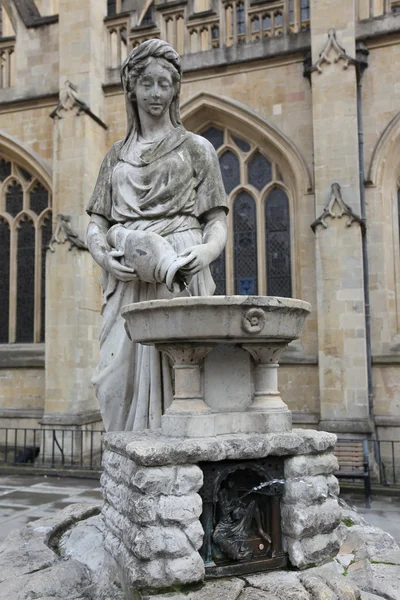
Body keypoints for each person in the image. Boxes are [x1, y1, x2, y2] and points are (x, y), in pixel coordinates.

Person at [86, 39, 228, 431]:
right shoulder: (115, 156)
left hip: (178, 265)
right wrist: (103, 255)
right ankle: (125, 461)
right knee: (113, 383)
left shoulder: (197, 149)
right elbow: (96, 223)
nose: (156, 94)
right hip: (128, 271)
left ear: (175, 89)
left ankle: (175, 473)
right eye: (147, 83)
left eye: (165, 84)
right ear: (131, 87)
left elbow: (217, 220)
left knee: (180, 378)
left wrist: (207, 251)